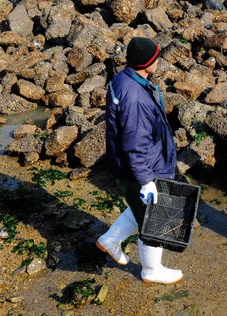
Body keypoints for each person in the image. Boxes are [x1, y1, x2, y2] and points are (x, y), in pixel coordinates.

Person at [96, 37, 183, 284]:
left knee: (139, 207)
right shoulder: (135, 98)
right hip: (141, 168)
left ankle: (110, 240)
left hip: (126, 165)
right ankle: (151, 270)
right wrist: (146, 181)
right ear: (148, 64)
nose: (159, 60)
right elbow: (135, 145)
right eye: (156, 57)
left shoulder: (122, 79)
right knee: (152, 217)